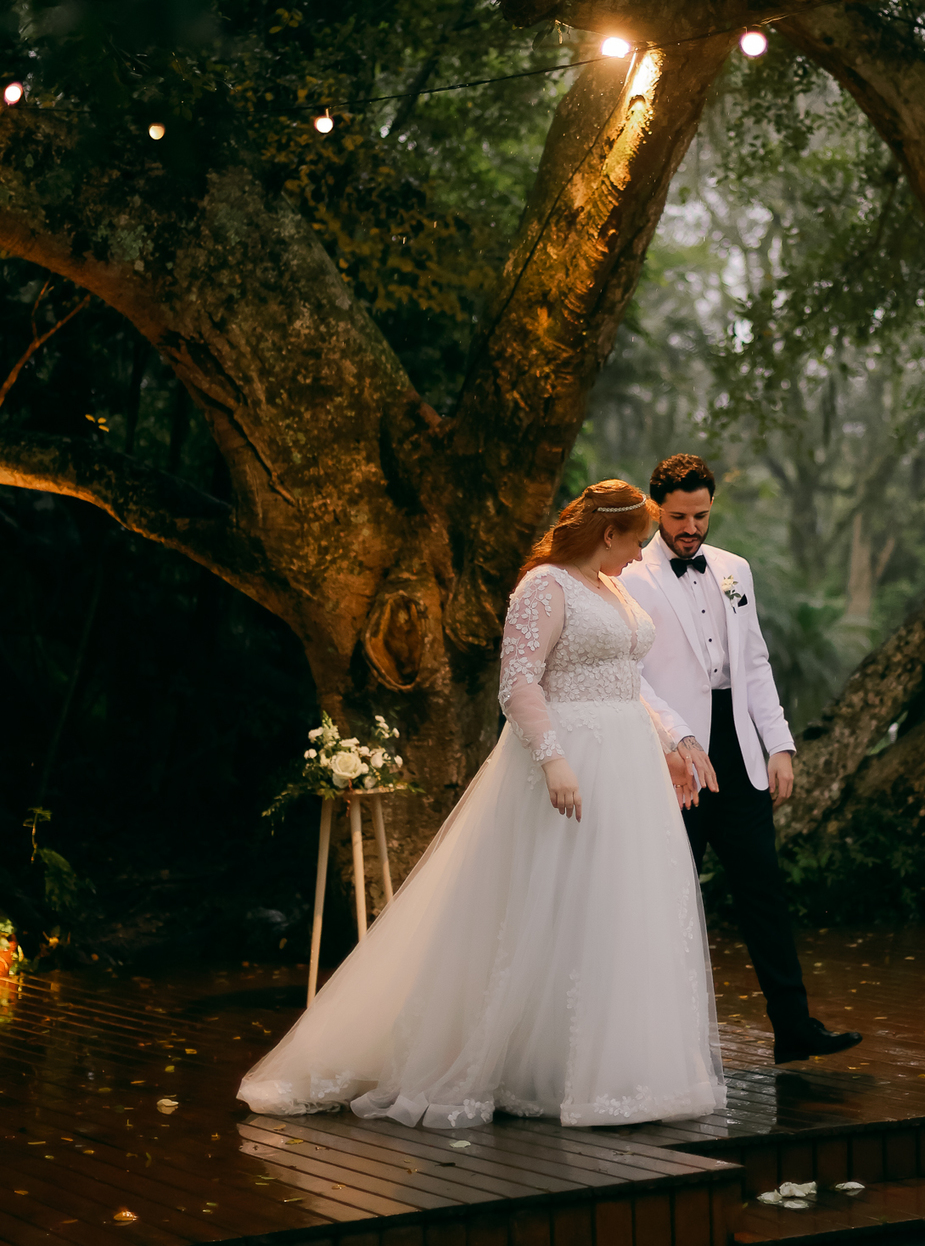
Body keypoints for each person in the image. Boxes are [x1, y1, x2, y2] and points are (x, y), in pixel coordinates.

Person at [238, 479, 725, 1130]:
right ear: (608, 534)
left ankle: (606, 1068)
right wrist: (553, 759)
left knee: (614, 908)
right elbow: (518, 682)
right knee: (553, 903)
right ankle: (519, 1062)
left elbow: (626, 682)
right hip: (572, 756)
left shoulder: (611, 589)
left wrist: (669, 744)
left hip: (627, 765)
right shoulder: (545, 587)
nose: (641, 555)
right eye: (636, 541)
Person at [622, 453, 861, 1070]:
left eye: (701, 515)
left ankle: (794, 1028)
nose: (691, 528)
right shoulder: (629, 576)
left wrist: (778, 744)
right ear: (656, 510)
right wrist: (673, 742)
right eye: (679, 517)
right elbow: (629, 675)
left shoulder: (734, 570)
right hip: (677, 760)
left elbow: (754, 661)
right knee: (671, 899)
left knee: (764, 892)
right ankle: (658, 1043)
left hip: (740, 750)